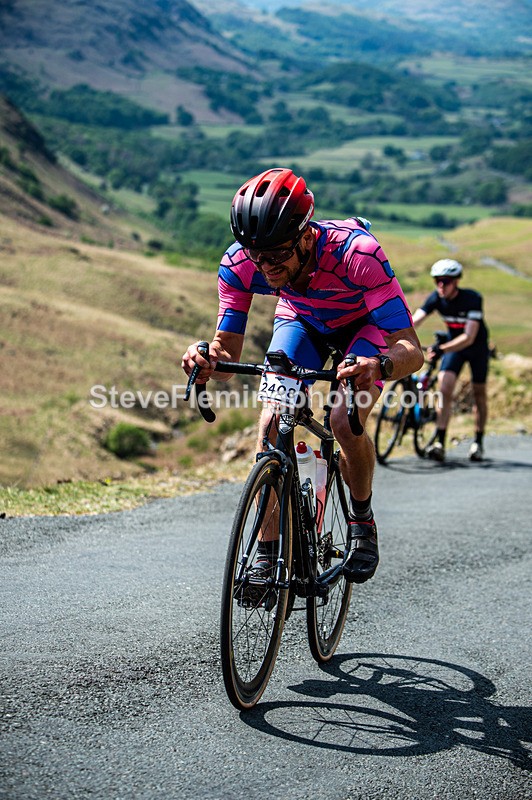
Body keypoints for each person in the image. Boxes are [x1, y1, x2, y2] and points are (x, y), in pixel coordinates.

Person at [182, 167, 423, 584]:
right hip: (301, 319)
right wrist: (206, 359)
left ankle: (361, 519)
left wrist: (379, 366)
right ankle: (266, 551)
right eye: (257, 255)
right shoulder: (241, 263)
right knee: (273, 423)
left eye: (276, 255)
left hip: (364, 328)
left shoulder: (358, 254)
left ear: (307, 237)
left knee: (342, 422)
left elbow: (411, 351)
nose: (265, 267)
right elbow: (227, 357)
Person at [412, 258, 490, 462]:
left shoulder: (472, 299)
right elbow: (414, 322)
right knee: (444, 389)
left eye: (445, 281)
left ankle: (478, 442)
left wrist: (441, 349)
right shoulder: (436, 298)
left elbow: (469, 336)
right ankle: (439, 441)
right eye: (437, 280)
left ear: (456, 281)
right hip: (454, 347)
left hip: (475, 348)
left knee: (478, 393)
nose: (440, 285)